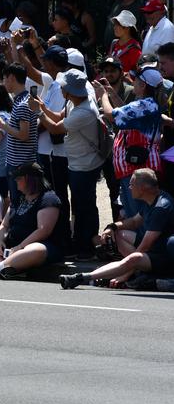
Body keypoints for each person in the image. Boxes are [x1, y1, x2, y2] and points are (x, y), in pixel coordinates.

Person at [61, 169, 174, 289]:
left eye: (132, 184)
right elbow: (134, 221)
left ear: (143, 188)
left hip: (164, 256)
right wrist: (112, 227)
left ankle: (83, 277)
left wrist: (126, 274)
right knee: (117, 233)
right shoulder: (151, 199)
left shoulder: (161, 207)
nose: (129, 187)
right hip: (155, 248)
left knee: (134, 258)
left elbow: (145, 246)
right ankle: (131, 269)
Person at [34, 69, 104, 258]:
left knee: (84, 206)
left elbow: (56, 129)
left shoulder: (85, 111)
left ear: (69, 90)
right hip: (77, 162)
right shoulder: (76, 102)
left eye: (63, 86)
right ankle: (81, 243)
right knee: (79, 204)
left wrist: (38, 113)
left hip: (84, 164)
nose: (60, 88)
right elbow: (58, 116)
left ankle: (86, 247)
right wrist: (42, 107)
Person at [94, 66, 164, 220]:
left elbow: (111, 115)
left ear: (143, 85)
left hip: (138, 171)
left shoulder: (145, 105)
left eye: (136, 80)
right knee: (132, 215)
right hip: (133, 169)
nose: (133, 82)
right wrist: (111, 93)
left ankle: (143, 244)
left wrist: (104, 96)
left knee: (138, 218)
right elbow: (125, 112)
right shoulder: (145, 104)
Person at [0, 162, 64, 279]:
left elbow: (43, 230)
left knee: (35, 249)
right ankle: (9, 271)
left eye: (18, 178)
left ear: (29, 180)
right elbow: (4, 225)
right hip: (14, 245)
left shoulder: (49, 199)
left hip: (41, 246)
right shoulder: (17, 199)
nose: (15, 180)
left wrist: (20, 246)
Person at [0, 63, 38, 202]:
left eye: (4, 78)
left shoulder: (22, 104)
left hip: (20, 164)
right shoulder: (21, 101)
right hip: (17, 162)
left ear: (12, 78)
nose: (3, 82)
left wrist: (2, 125)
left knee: (19, 202)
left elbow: (24, 135)